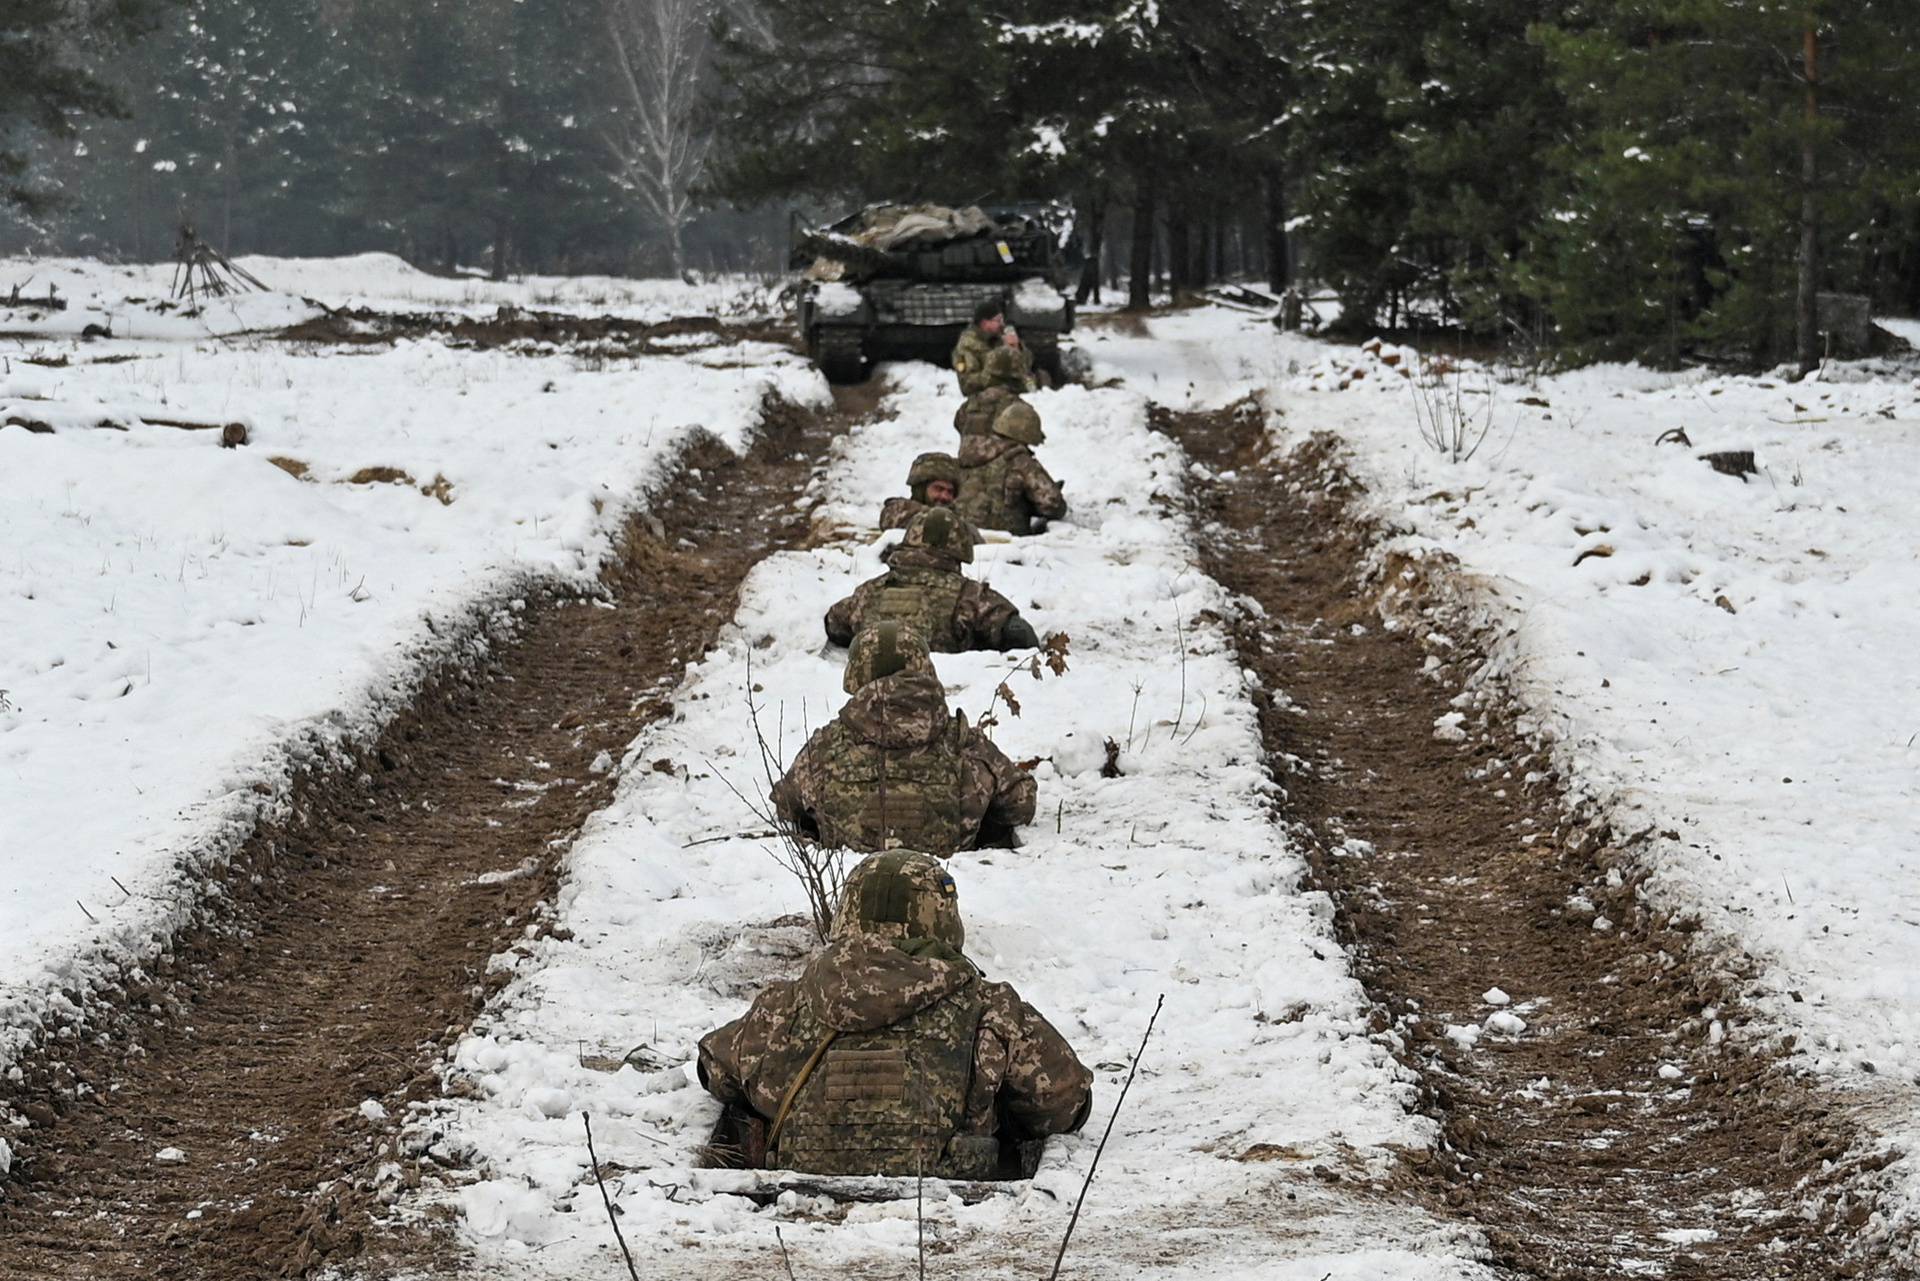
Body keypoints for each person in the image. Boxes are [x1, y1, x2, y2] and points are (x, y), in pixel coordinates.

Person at [696, 850, 1093, 1179]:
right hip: (951, 1217)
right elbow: (1066, 1103)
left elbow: (714, 1069)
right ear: (943, 917)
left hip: (797, 1213)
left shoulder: (784, 1007)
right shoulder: (991, 1010)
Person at [773, 624, 1036, 856]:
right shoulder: (966, 743)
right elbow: (1020, 803)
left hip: (850, 891)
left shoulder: (824, 748)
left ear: (857, 675)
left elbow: (787, 804)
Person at [824, 508, 1037, 653]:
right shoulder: (969, 595)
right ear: (960, 548)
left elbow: (834, 624)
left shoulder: (869, 592)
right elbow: (1019, 633)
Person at [954, 399, 1068, 536]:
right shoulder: (1021, 461)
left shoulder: (969, 455)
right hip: (1006, 540)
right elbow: (1052, 504)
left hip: (964, 533)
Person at [878, 452, 981, 540]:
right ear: (920, 489)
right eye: (938, 489)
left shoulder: (963, 524)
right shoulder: (897, 512)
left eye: (950, 492)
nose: (944, 496)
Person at [951, 299, 1037, 397]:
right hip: (983, 400)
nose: (1002, 324)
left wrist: (1017, 348)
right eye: (998, 320)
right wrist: (999, 371)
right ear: (985, 323)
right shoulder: (967, 346)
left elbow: (1026, 368)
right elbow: (967, 385)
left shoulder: (998, 337)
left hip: (1009, 395)